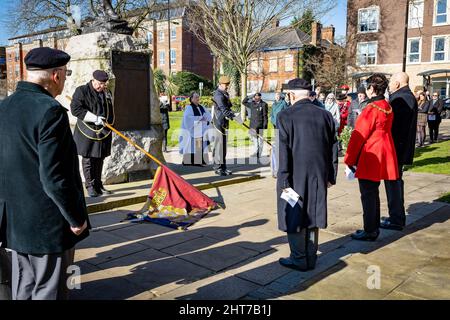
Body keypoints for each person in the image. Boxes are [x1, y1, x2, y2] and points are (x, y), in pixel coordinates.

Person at [0, 47, 89, 299]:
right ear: (56, 75)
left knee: (24, 287)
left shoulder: (4, 107)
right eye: (66, 73)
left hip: (15, 221)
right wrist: (75, 218)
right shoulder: (50, 111)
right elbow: (54, 178)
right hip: (46, 224)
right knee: (50, 290)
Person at [277, 78, 338, 271]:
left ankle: (299, 258)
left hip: (294, 175)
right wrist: (330, 175)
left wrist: (284, 179)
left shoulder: (285, 116)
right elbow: (333, 148)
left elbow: (283, 152)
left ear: (292, 95)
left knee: (294, 215)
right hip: (319, 174)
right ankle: (310, 257)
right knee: (313, 213)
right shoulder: (326, 115)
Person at [344, 73, 399, 241]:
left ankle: (370, 230)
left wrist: (349, 159)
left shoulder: (370, 108)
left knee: (368, 193)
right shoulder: (387, 106)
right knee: (372, 192)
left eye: (368, 87)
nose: (367, 90)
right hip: (385, 148)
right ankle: (372, 227)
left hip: (372, 151)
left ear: (373, 88)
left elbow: (358, 136)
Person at [71, 70, 115, 197]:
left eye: (104, 84)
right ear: (93, 80)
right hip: (87, 130)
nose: (102, 86)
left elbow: (110, 110)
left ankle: (98, 185)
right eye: (100, 83)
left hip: (103, 131)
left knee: (100, 158)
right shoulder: (82, 91)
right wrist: (95, 118)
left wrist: (109, 124)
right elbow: (76, 109)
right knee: (88, 159)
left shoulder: (107, 93)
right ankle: (90, 186)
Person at [383, 72, 418, 230]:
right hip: (399, 149)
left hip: (396, 149)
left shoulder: (400, 98)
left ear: (397, 83)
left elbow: (396, 127)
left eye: (390, 82)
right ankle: (395, 216)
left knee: (393, 183)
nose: (389, 85)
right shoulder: (407, 96)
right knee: (394, 182)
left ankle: (396, 218)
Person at [211, 75, 242, 176]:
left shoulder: (225, 94)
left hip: (224, 123)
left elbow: (228, 108)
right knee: (219, 146)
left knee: (223, 147)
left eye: (228, 84)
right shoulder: (218, 95)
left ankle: (223, 167)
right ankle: (217, 168)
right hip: (218, 123)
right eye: (225, 85)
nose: (227, 86)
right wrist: (234, 117)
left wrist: (235, 115)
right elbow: (224, 110)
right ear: (220, 84)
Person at [179, 92, 211, 166]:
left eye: (198, 97)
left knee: (200, 145)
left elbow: (208, 115)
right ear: (191, 99)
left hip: (201, 129)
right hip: (193, 129)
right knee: (191, 146)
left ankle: (200, 160)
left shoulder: (202, 107)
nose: (198, 99)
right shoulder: (189, 108)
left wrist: (206, 118)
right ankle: (188, 161)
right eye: (196, 97)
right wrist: (200, 118)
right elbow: (188, 118)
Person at [242, 92, 268, 158]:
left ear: (260, 97)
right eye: (255, 97)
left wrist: (265, 125)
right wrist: (249, 96)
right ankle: (256, 152)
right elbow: (243, 102)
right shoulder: (252, 104)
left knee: (260, 140)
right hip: (253, 125)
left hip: (260, 124)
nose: (256, 98)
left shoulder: (264, 104)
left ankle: (259, 153)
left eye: (258, 97)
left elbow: (265, 115)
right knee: (255, 140)